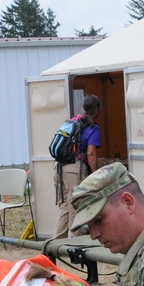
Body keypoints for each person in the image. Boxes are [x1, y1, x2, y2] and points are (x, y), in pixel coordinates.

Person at [52, 94, 101, 239]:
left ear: (83, 108)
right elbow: (91, 153)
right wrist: (95, 174)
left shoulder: (72, 122)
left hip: (59, 167)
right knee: (76, 206)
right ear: (97, 109)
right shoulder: (93, 128)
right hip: (74, 169)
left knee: (65, 208)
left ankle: (55, 244)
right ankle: (76, 243)